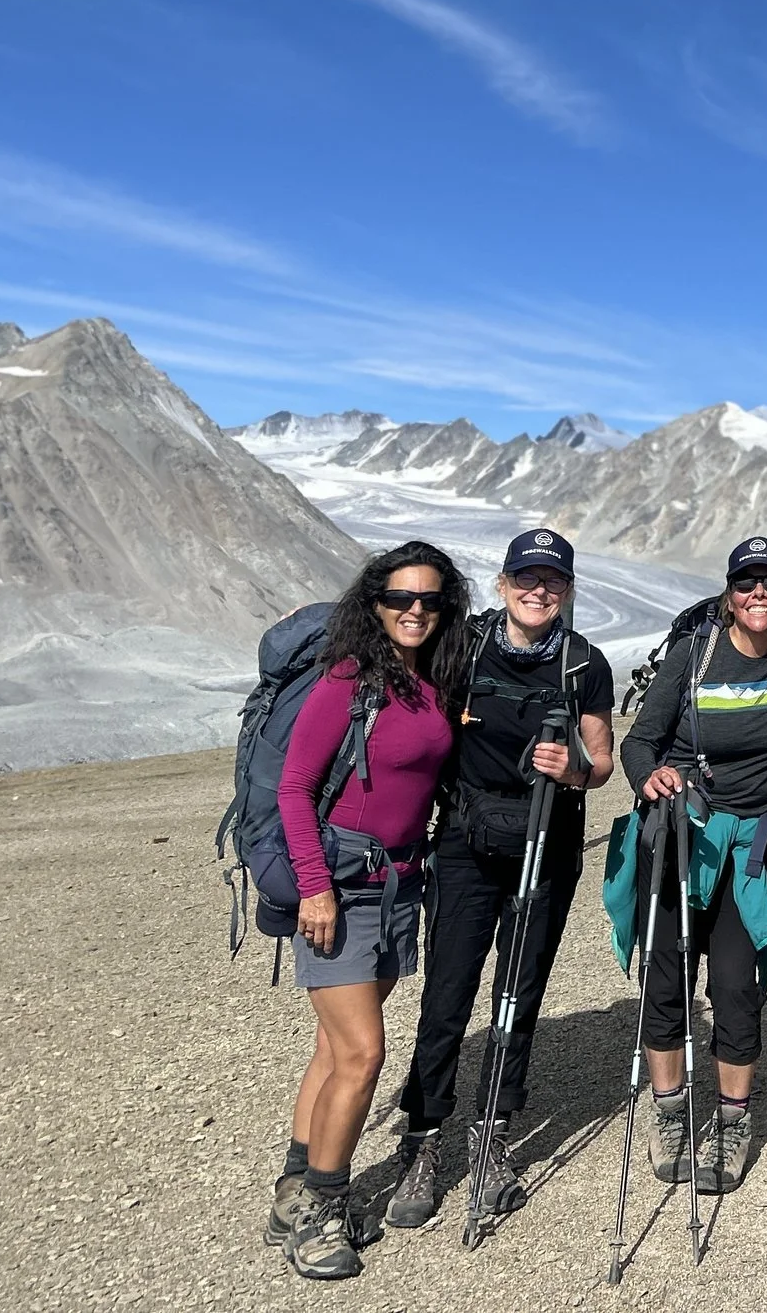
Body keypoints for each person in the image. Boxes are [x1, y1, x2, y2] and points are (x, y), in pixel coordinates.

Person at [385, 530, 616, 1230]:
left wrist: (571, 768)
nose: (537, 589)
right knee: (447, 992)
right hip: (464, 842)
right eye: (525, 577)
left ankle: (493, 1137)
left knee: (518, 991)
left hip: (547, 841)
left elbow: (601, 761)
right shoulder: (465, 645)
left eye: (551, 579)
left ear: (568, 589)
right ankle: (421, 1140)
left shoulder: (585, 664)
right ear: (503, 581)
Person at [270, 541, 473, 1281]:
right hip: (343, 886)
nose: (415, 610)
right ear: (375, 602)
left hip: (399, 882)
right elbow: (296, 787)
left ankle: (293, 1191)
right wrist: (314, 886)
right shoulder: (348, 679)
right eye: (400, 598)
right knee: (362, 1053)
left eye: (430, 599)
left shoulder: (430, 682)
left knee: (333, 1049)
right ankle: (324, 1207)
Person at [610, 535, 767, 1197]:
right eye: (746, 582)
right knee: (666, 979)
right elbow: (638, 741)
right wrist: (652, 776)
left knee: (735, 985)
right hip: (681, 835)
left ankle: (731, 1121)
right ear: (730, 590)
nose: (759, 594)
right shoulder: (694, 656)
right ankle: (670, 1112)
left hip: (748, 847)